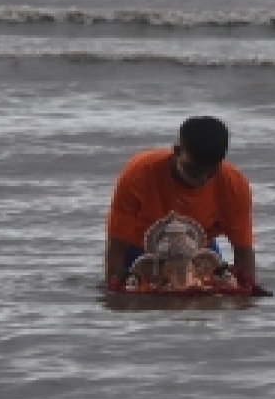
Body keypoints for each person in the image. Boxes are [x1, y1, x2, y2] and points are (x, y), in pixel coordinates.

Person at [103, 116, 264, 290]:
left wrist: (247, 297)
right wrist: (114, 291)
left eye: (212, 172)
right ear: (177, 151)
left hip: (198, 254)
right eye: (193, 171)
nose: (202, 179)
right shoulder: (138, 174)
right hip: (139, 253)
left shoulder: (235, 186)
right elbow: (116, 245)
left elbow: (243, 251)